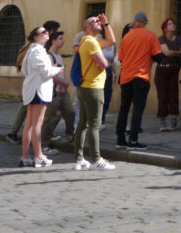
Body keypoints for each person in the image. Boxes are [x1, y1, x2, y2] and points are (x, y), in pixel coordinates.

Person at [73, 13, 116, 171]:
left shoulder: (89, 41)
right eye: (95, 21)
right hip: (93, 88)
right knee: (94, 125)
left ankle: (79, 158)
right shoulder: (91, 42)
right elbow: (103, 63)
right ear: (87, 27)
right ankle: (97, 159)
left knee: (83, 124)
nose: (98, 21)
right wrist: (107, 62)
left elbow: (112, 41)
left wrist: (106, 24)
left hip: (85, 87)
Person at [7, 19, 59, 146]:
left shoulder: (37, 45)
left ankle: (29, 149)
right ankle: (15, 134)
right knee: (31, 117)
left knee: (30, 118)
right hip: (36, 83)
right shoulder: (38, 47)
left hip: (34, 81)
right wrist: (56, 69)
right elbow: (43, 69)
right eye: (48, 31)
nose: (50, 34)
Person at [19, 25, 63, 168]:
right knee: (36, 124)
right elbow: (45, 71)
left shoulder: (32, 50)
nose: (46, 33)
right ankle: (38, 156)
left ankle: (26, 156)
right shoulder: (37, 50)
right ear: (36, 37)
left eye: (46, 31)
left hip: (34, 88)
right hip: (38, 90)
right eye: (43, 32)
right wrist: (57, 69)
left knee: (30, 124)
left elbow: (28, 71)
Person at [116, 11, 162, 149]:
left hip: (126, 77)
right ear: (146, 22)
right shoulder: (151, 36)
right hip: (141, 76)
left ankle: (120, 139)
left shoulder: (127, 37)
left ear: (134, 22)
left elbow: (120, 59)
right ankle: (133, 140)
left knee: (124, 108)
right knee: (138, 109)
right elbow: (158, 57)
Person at [41, 29, 75, 149]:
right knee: (49, 118)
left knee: (70, 112)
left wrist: (64, 85)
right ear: (53, 41)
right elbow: (51, 74)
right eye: (60, 39)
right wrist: (62, 83)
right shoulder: (48, 56)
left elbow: (61, 72)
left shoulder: (59, 56)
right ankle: (44, 144)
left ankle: (69, 134)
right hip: (52, 92)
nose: (63, 41)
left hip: (62, 91)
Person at [156, 18, 181, 131]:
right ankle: (162, 121)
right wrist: (179, 52)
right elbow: (167, 52)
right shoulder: (161, 39)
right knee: (162, 96)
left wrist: (176, 53)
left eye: (173, 23)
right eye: (169, 24)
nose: (172, 25)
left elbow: (180, 51)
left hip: (175, 69)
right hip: (162, 70)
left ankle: (174, 120)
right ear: (165, 28)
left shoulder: (179, 39)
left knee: (174, 95)